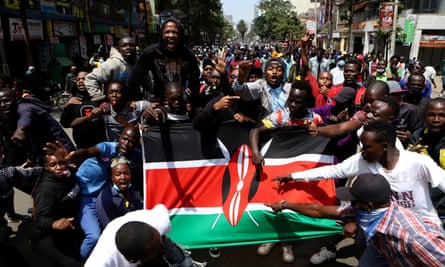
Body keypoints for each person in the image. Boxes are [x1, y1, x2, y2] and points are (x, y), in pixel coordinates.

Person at [274, 120, 445, 227]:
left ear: (384, 146)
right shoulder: (363, 160)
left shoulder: (417, 162)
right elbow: (333, 171)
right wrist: (294, 176)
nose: (362, 151)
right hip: (384, 226)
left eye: (367, 147)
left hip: (423, 228)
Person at [336, 173, 445, 266]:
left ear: (368, 206)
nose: (351, 205)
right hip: (388, 253)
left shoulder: (413, 238)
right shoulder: (380, 213)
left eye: (354, 202)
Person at [70, 126, 142, 259]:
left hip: (105, 196)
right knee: (94, 236)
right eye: (124, 139)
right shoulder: (108, 148)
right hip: (87, 197)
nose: (126, 143)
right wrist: (73, 156)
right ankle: (80, 261)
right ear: (119, 138)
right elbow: (87, 152)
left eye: (131, 141)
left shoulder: (135, 154)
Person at [85, 205, 205, 267]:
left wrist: (161, 242)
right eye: (158, 247)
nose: (162, 247)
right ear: (132, 260)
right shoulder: (102, 262)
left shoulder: (158, 222)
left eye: (160, 241)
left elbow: (161, 209)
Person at [127, 17, 200, 106]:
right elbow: (134, 79)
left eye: (175, 32)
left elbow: (195, 81)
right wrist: (131, 100)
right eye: (167, 32)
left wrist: (195, 104)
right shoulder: (150, 53)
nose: (171, 35)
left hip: (180, 101)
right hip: (158, 100)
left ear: (180, 35)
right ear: (161, 34)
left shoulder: (188, 55)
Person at [31, 145, 84, 267]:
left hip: (69, 225)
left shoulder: (68, 173)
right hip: (47, 235)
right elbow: (39, 220)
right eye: (53, 165)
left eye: (62, 163)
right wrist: (54, 224)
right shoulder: (46, 190)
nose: (59, 168)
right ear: (46, 167)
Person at [11, 87, 75, 166]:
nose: (2, 105)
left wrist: (20, 129)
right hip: (43, 155)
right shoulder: (11, 113)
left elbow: (26, 118)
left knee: (66, 173)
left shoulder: (25, 108)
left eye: (6, 101)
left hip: (60, 152)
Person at [0, 88, 31, 223]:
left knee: (35, 183)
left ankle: (40, 207)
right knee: (6, 185)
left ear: (16, 99)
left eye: (6, 101)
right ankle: (11, 214)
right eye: (0, 102)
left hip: (30, 152)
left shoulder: (24, 113)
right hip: (10, 155)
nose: (2, 105)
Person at [410, 97, 445, 219]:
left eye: (441, 115)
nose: (436, 120)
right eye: (431, 115)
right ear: (424, 116)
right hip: (424, 207)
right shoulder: (418, 136)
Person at [60, 70, 106, 148]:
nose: (81, 81)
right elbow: (65, 124)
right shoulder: (73, 101)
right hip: (82, 148)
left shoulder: (99, 98)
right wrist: (66, 106)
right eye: (78, 79)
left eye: (84, 78)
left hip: (101, 146)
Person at [96, 156, 143, 228]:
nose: (123, 177)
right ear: (112, 177)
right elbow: (110, 227)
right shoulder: (106, 199)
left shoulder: (130, 188)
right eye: (118, 174)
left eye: (126, 173)